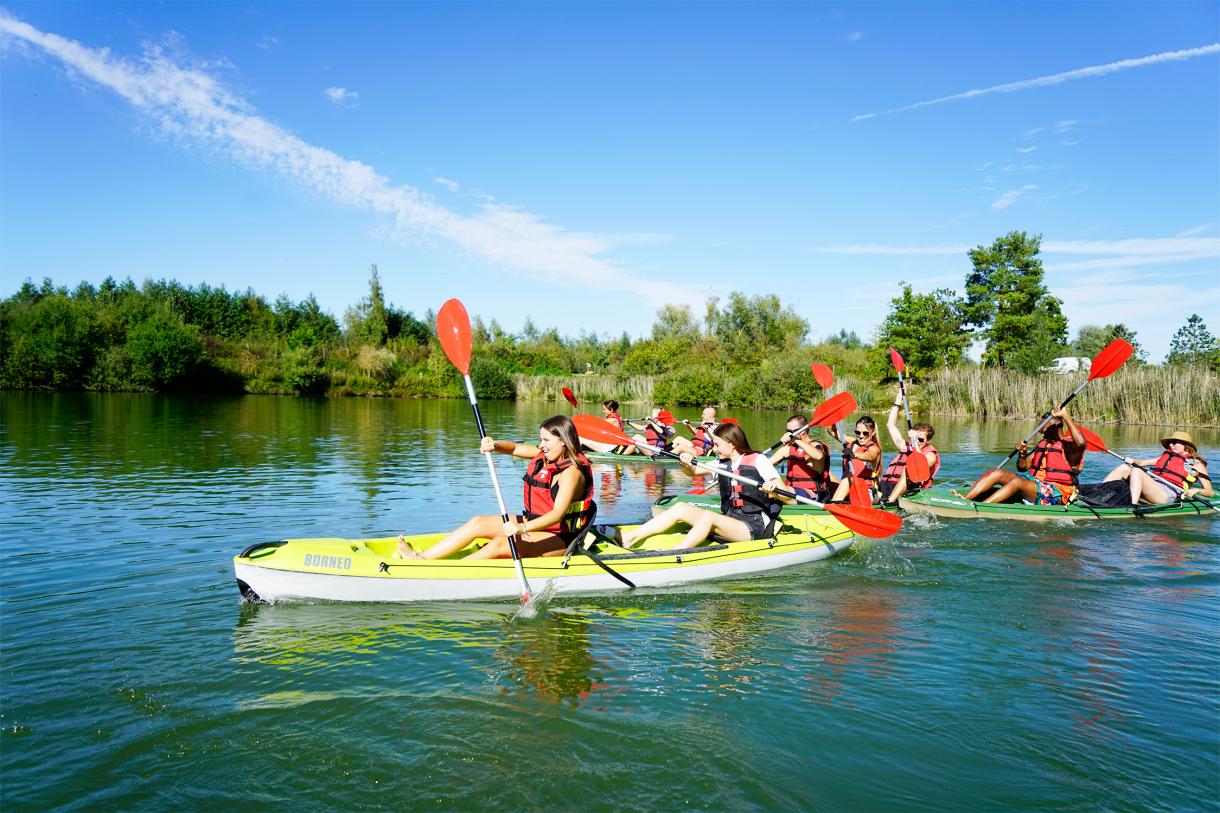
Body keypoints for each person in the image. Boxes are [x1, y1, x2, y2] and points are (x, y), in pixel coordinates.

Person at [396, 415, 595, 560]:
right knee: (478, 523)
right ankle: (422, 558)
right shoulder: (544, 455)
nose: (541, 444)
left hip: (561, 537)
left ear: (563, 441)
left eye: (546, 440)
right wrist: (494, 444)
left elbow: (557, 515)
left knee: (500, 543)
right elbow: (515, 448)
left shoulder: (572, 473)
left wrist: (520, 528)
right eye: (540, 439)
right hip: (535, 524)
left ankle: (445, 575)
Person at [621, 422, 785, 550]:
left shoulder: (758, 460)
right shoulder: (720, 463)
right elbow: (693, 472)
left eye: (717, 444)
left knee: (708, 516)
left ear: (731, 444)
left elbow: (787, 495)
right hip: (730, 519)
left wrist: (774, 489)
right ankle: (630, 537)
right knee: (681, 508)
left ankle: (676, 553)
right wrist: (686, 464)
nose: (714, 448)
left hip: (753, 526)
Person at [959, 406, 1084, 504]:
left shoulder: (1069, 447)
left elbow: (1081, 442)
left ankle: (982, 507)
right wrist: (1022, 453)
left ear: (1054, 427)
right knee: (997, 473)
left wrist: (1064, 415)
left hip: (1057, 493)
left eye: (1043, 427)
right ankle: (965, 499)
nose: (1040, 430)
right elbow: (1022, 467)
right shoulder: (1043, 444)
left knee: (1017, 482)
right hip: (1034, 484)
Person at [1100, 431, 1212, 505]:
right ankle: (1099, 493)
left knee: (1137, 471)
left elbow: (1209, 492)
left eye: (1174, 443)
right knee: (1124, 468)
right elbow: (1141, 463)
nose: (1171, 445)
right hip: (1153, 488)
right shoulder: (1164, 457)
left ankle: (1131, 505)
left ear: (1186, 446)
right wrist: (1132, 461)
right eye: (1170, 443)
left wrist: (1196, 490)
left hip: (1165, 496)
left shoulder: (1198, 465)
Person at [877, 386, 939, 505]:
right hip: (885, 486)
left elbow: (919, 465)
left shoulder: (930, 455)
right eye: (915, 438)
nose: (918, 442)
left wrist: (915, 441)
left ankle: (889, 502)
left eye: (921, 439)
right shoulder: (904, 447)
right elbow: (890, 425)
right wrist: (897, 401)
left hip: (908, 491)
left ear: (929, 440)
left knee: (908, 469)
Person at [769, 414, 836, 502]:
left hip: (810, 493)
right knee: (766, 489)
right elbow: (765, 464)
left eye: (791, 431)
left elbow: (818, 456)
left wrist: (795, 440)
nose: (787, 434)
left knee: (777, 486)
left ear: (803, 431)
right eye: (787, 431)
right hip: (791, 489)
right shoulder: (788, 449)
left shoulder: (816, 445)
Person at [826, 416, 883, 503]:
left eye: (865, 433)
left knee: (849, 478)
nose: (861, 436)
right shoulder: (852, 442)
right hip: (850, 488)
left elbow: (870, 456)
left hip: (866, 493)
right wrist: (834, 416)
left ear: (873, 432)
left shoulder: (874, 448)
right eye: (857, 432)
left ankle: (832, 507)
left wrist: (854, 454)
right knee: (827, 474)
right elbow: (831, 431)